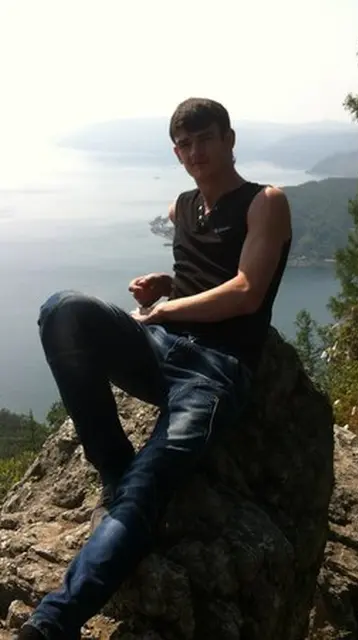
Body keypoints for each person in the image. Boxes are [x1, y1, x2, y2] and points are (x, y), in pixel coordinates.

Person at [19, 97, 292, 640]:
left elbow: (245, 290)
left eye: (206, 138)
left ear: (229, 139)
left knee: (144, 491)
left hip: (215, 370)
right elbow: (202, 268)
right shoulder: (181, 208)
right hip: (160, 347)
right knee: (62, 310)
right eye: (185, 144)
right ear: (176, 152)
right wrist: (165, 285)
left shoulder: (265, 202)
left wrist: (167, 308)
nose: (196, 152)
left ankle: (51, 623)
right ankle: (111, 462)